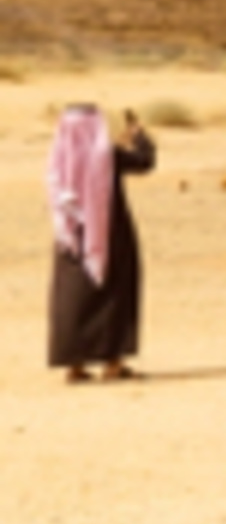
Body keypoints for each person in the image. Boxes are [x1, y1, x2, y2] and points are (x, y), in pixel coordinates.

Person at [46, 103, 155, 384]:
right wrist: (139, 136)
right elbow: (144, 161)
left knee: (73, 299)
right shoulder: (106, 155)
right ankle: (113, 363)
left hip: (71, 236)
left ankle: (75, 365)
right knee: (115, 293)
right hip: (110, 232)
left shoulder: (59, 158)